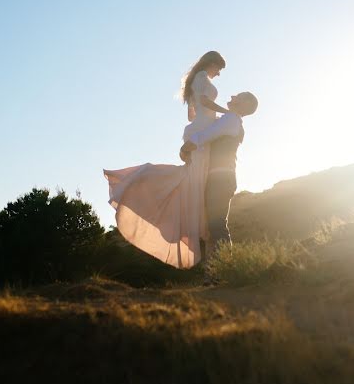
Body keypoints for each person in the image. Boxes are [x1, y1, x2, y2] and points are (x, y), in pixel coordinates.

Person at [103, 51, 230, 268]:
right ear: (212, 63)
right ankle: (145, 181)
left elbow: (192, 114)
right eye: (218, 69)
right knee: (196, 180)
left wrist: (211, 118)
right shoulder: (201, 78)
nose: (218, 74)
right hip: (202, 131)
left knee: (195, 178)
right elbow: (203, 101)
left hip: (199, 126)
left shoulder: (196, 80)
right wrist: (226, 113)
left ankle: (206, 240)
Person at [180, 92, 259, 260]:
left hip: (221, 178)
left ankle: (223, 268)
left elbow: (206, 135)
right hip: (220, 178)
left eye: (239, 96)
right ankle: (215, 271)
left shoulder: (231, 119)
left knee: (217, 225)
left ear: (244, 104)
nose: (233, 96)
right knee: (213, 226)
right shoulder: (231, 120)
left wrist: (186, 147)